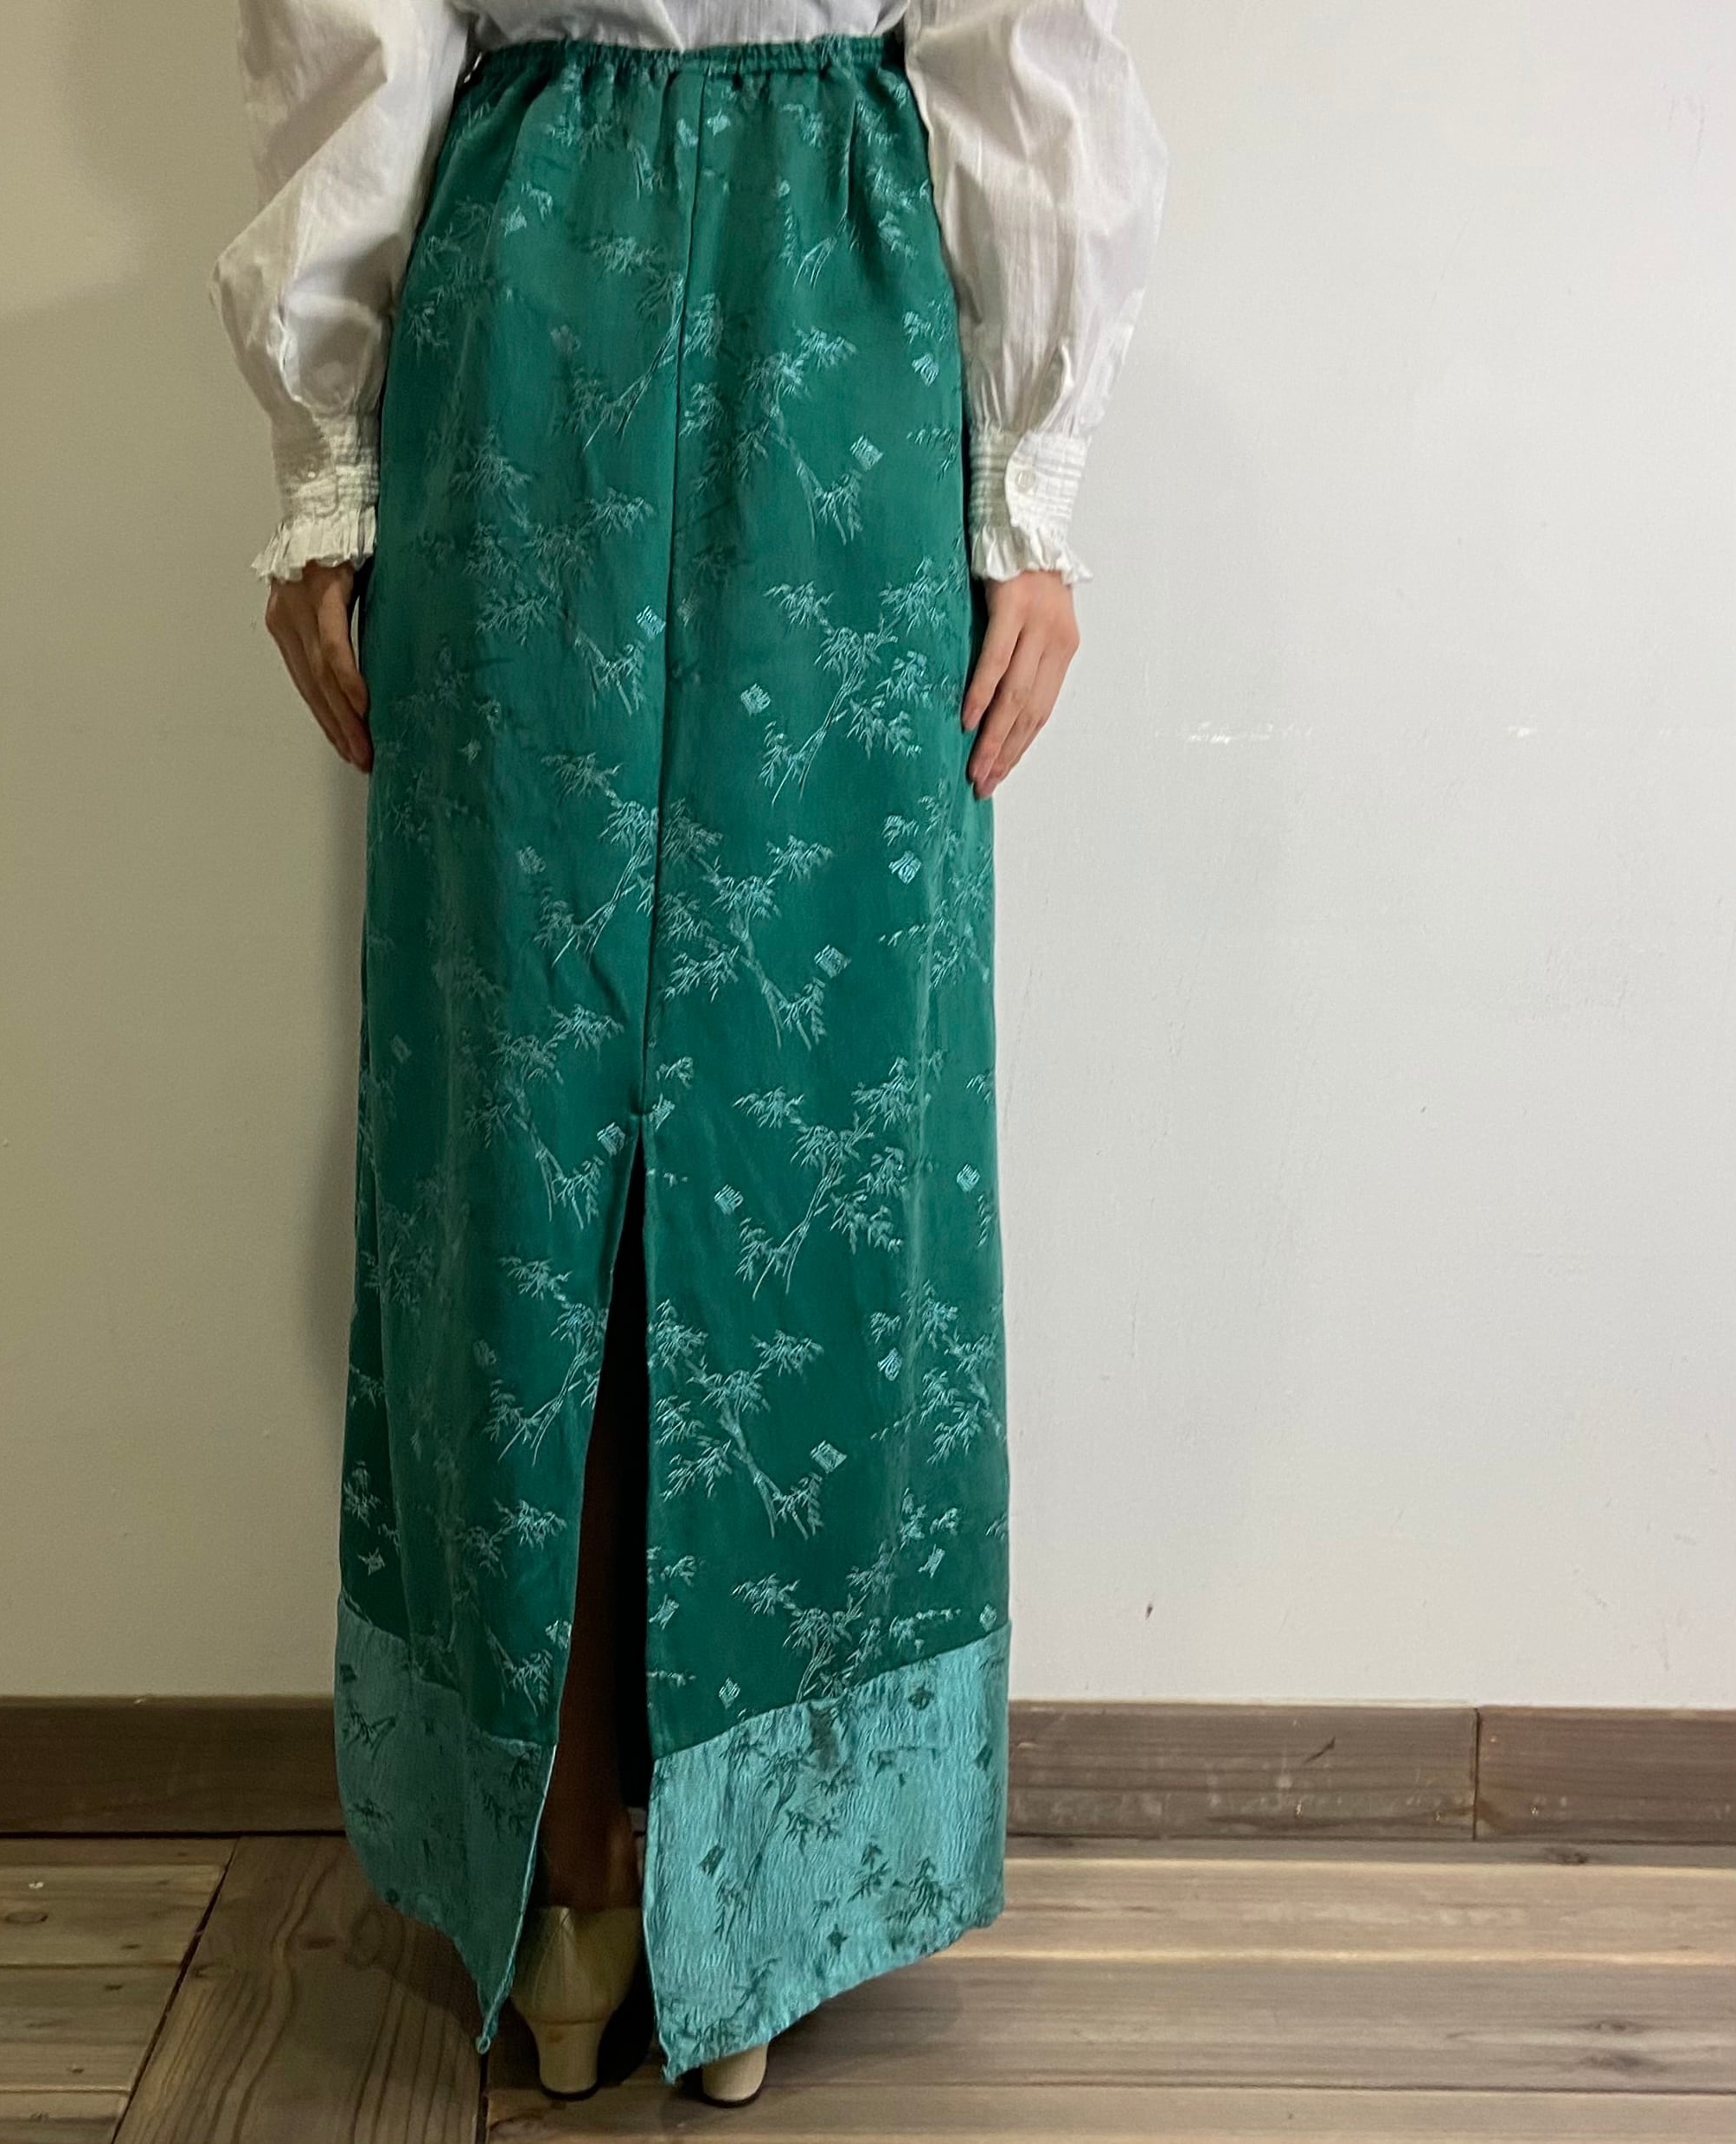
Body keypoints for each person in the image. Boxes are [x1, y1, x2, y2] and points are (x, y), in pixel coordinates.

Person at [210, 0, 1165, 2108]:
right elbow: (1015, 38)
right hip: (835, 266)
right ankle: (748, 1893)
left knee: (541, 1090)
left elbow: (363, 36)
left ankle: (586, 1899)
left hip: (545, 243)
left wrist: (333, 450)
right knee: (784, 1099)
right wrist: (1030, 476)